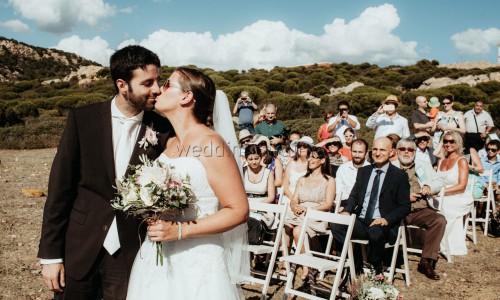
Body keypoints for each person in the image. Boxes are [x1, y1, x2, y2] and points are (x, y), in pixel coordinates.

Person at [38, 46, 171, 299]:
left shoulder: (164, 129)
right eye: (148, 83)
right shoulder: (82, 119)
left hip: (133, 251)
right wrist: (50, 256)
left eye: (158, 81)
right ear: (123, 85)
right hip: (80, 246)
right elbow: (59, 191)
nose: (156, 89)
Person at [126, 67, 250, 299]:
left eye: (167, 85)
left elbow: (239, 210)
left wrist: (181, 230)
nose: (158, 89)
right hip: (157, 253)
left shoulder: (211, 143)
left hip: (197, 260)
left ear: (186, 96)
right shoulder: (169, 143)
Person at [333, 137, 411, 275]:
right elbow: (354, 196)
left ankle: (377, 267)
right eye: (375, 149)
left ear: (391, 152)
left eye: (382, 149)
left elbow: (404, 206)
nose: (378, 153)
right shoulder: (364, 171)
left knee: (375, 233)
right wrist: (346, 211)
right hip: (362, 220)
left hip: (382, 223)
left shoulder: (399, 176)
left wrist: (386, 219)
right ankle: (355, 263)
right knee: (336, 225)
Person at [393, 139, 446, 280]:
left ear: (415, 152)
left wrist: (429, 186)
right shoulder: (390, 167)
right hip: (398, 210)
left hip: (420, 209)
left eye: (410, 149)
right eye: (403, 149)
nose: (406, 152)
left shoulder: (423, 165)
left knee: (439, 220)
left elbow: (439, 181)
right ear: (397, 151)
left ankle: (426, 260)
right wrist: (404, 198)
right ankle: (389, 259)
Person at [284, 147, 335, 279]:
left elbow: (328, 204)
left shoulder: (329, 180)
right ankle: (286, 262)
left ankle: (305, 266)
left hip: (317, 214)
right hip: (300, 213)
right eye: (309, 157)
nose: (310, 160)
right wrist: (294, 206)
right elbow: (294, 199)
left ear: (322, 160)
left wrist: (309, 210)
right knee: (285, 225)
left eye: (313, 157)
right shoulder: (302, 179)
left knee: (297, 231)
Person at [435, 131, 472, 256]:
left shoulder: (462, 161)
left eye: (452, 141)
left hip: (459, 196)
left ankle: (443, 244)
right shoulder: (440, 161)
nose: (448, 144)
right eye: (445, 141)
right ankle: (434, 241)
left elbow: (462, 186)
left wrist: (441, 192)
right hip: (441, 194)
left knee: (444, 207)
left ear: (458, 143)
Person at [243, 144, 276, 227]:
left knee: (254, 222)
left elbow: (271, 197)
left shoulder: (268, 173)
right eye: (250, 159)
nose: (254, 162)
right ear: (246, 158)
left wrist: (257, 206)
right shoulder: (242, 171)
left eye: (256, 158)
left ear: (261, 157)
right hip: (245, 204)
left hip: (263, 205)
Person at [334, 139, 370, 210]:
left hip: (363, 205)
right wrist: (337, 205)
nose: (357, 155)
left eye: (360, 152)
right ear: (350, 151)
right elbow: (338, 190)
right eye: (354, 151)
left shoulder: (371, 169)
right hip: (343, 203)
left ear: (366, 153)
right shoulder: (343, 168)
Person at [282, 136, 314, 203]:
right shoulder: (291, 164)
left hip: (307, 200)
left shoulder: (313, 165)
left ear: (310, 149)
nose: (301, 148)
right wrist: (293, 199)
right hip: (289, 198)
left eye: (305, 146)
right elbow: (285, 186)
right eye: (299, 146)